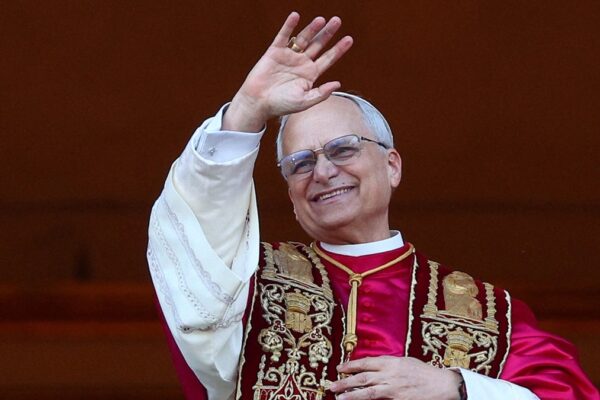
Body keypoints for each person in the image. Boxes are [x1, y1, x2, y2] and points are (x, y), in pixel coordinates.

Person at [147, 12, 598, 400]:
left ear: (392, 165)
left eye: (343, 148)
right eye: (300, 163)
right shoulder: (244, 285)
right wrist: (247, 109)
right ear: (291, 194)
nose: (323, 171)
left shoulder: (486, 311)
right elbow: (190, 238)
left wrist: (457, 387)